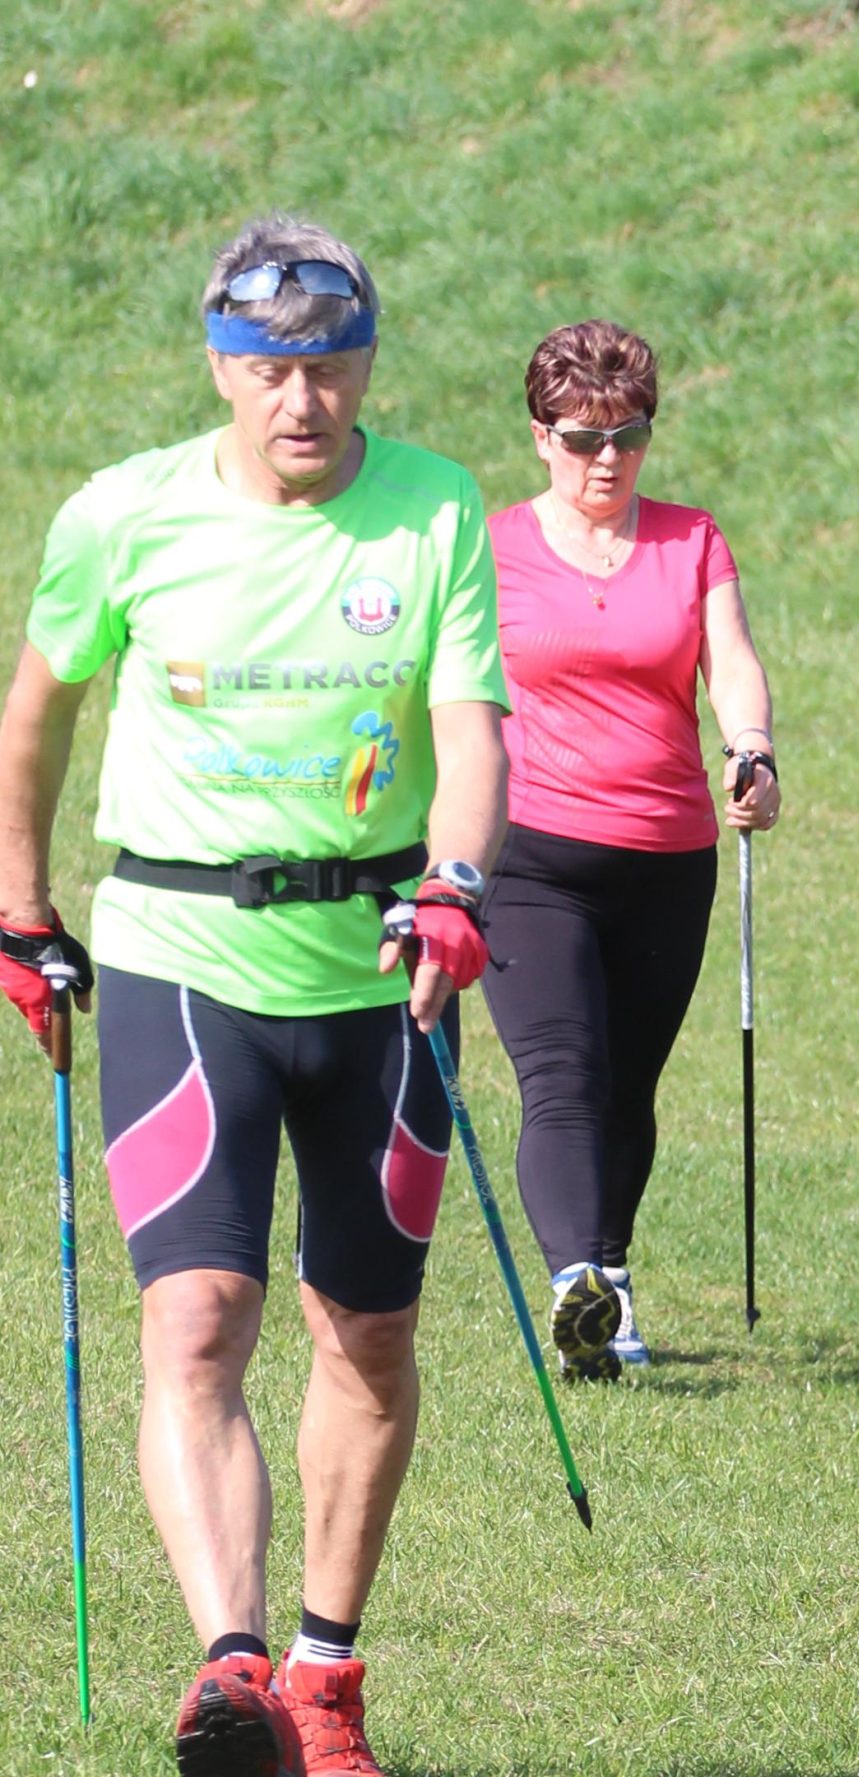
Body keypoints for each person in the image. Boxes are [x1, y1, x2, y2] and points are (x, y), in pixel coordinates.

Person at [0, 216, 508, 1777]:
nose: (306, 399)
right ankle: (230, 1672)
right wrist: (19, 908)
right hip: (178, 951)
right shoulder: (122, 514)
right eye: (273, 368)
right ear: (222, 363)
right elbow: (37, 719)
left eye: (334, 364)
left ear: (368, 360)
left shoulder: (432, 511)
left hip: (378, 966)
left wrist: (456, 885)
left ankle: (325, 1678)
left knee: (365, 1331)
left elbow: (474, 729)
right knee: (199, 1316)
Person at [477, 319, 777, 1382]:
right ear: (538, 437)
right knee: (563, 1072)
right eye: (581, 437)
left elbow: (730, 662)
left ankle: (611, 1268)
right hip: (532, 854)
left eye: (629, 436)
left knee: (628, 1085)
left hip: (664, 855)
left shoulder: (691, 541)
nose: (607, 459)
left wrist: (751, 748)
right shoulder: (492, 547)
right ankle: (575, 1284)